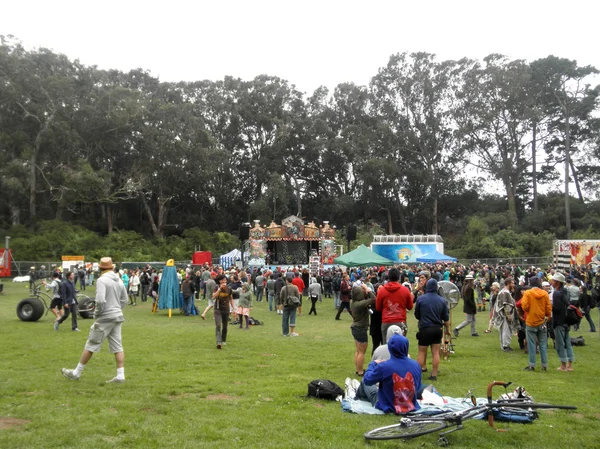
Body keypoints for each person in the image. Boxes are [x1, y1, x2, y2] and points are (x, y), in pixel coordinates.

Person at [61, 257, 128, 383]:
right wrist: (118, 309)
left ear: (101, 268)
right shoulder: (118, 280)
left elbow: (100, 300)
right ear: (112, 267)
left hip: (105, 316)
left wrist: (96, 313)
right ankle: (120, 375)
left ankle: (76, 373)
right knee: (117, 347)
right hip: (117, 316)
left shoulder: (102, 280)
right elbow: (125, 299)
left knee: (91, 344)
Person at [358, 334, 422, 414]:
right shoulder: (416, 365)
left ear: (390, 348)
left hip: (388, 406)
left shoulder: (384, 366)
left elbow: (367, 380)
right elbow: (418, 386)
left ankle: (356, 397)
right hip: (410, 405)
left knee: (364, 383)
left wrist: (373, 364)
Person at [414, 279, 451, 381]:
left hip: (425, 328)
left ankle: (418, 374)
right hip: (437, 328)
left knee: (422, 352)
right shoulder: (442, 300)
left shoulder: (421, 299)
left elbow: (417, 315)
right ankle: (434, 374)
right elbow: (446, 319)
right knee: (435, 352)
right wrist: (447, 330)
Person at [521, 276, 552, 371]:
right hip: (542, 321)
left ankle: (532, 365)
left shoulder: (528, 293)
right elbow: (548, 308)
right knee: (543, 344)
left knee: (531, 344)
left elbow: (524, 306)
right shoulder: (545, 293)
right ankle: (544, 365)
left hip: (531, 321)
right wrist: (547, 316)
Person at [375, 268, 414, 341]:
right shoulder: (405, 290)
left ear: (388, 277)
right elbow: (410, 307)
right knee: (400, 346)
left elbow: (378, 308)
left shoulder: (382, 291)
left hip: (386, 321)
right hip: (400, 321)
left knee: (386, 347)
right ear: (399, 277)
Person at [350, 282, 376, 376]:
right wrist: (368, 290)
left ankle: (358, 369)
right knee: (362, 352)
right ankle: (360, 371)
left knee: (358, 351)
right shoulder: (360, 304)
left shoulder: (354, 302)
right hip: (360, 328)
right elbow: (373, 299)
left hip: (355, 328)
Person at [551, 272, 575, 371]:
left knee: (560, 344)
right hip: (566, 321)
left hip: (559, 321)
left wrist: (549, 305)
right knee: (567, 343)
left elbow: (556, 308)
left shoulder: (556, 293)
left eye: (553, 280)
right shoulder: (566, 291)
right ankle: (570, 364)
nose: (551, 282)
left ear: (557, 282)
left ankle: (563, 365)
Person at [492, 277, 519, 352]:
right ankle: (505, 346)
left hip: (503, 315)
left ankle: (503, 345)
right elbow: (505, 305)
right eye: (512, 283)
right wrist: (508, 315)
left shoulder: (503, 292)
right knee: (506, 330)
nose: (513, 285)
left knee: (504, 330)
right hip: (505, 315)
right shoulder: (505, 293)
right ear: (508, 283)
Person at [212, 275, 234, 349]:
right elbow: (213, 297)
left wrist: (234, 308)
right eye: (223, 280)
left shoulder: (229, 288)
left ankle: (223, 340)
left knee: (225, 326)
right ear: (220, 281)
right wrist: (219, 290)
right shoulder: (216, 287)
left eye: (225, 280)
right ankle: (219, 342)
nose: (224, 281)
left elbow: (231, 298)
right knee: (218, 325)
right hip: (218, 309)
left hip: (226, 309)